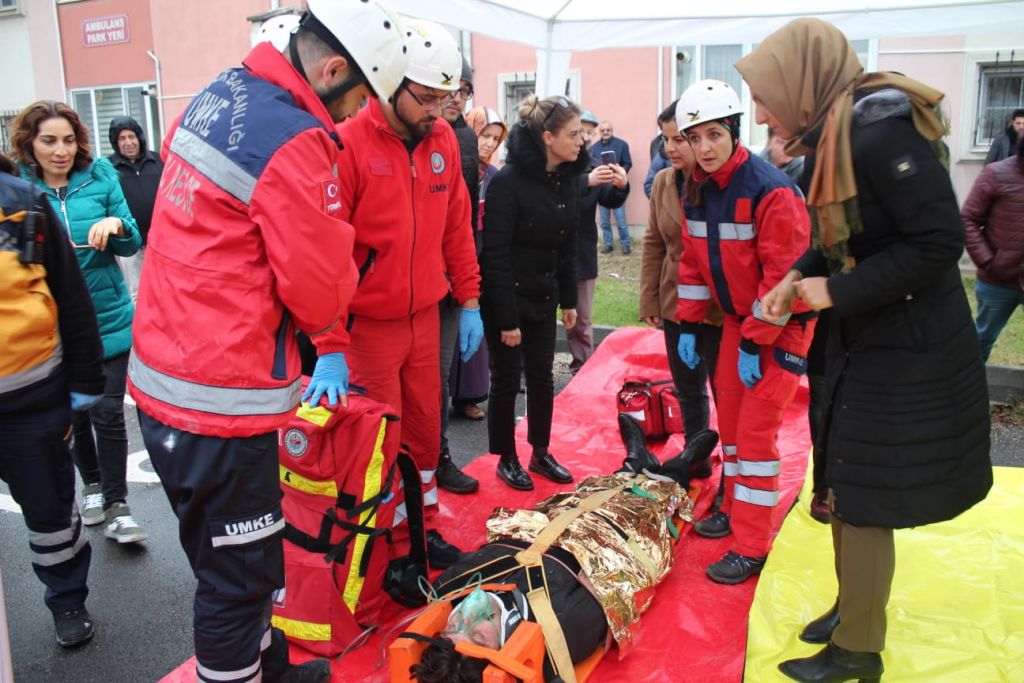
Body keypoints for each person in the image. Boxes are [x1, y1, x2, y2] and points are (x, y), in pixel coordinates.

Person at [127, 2, 409, 681]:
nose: (353, 117)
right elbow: (319, 279)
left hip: (171, 372)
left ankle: (272, 668)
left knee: (241, 555)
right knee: (238, 578)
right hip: (222, 396)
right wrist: (334, 327)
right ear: (333, 69)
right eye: (359, 101)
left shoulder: (221, 92)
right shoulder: (295, 138)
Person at [737, 17, 993, 682]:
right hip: (865, 338)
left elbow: (938, 242)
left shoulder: (879, 136)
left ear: (800, 83)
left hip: (908, 348)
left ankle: (858, 649)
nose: (760, 113)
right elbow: (838, 237)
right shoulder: (836, 137)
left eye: (764, 97)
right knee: (842, 480)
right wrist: (796, 277)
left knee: (865, 493)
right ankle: (854, 607)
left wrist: (835, 290)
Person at [406, 424, 719, 683]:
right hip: (608, 539)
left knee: (586, 495)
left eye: (453, 628)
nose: (467, 616)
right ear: (504, 645)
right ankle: (682, 464)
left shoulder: (450, 588)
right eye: (478, 636)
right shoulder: (562, 633)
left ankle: (634, 461)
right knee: (645, 502)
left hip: (554, 523)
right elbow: (614, 592)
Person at [335, 18, 481, 563]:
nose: (438, 112)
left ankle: (419, 532)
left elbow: (456, 227)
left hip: (425, 319)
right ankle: (376, 548)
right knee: (377, 440)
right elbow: (328, 249)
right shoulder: (349, 143)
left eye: (448, 98)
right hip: (368, 325)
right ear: (391, 82)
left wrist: (469, 300)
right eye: (427, 98)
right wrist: (329, 338)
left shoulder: (442, 141)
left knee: (423, 434)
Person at [673, 79, 816, 585]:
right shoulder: (698, 189)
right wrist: (689, 324)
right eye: (695, 138)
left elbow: (783, 278)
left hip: (782, 326)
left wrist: (757, 340)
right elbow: (693, 264)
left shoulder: (770, 191)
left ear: (735, 132)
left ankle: (753, 546)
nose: (705, 148)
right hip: (740, 323)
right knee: (731, 428)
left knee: (755, 437)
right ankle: (732, 507)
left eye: (715, 135)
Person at [11, 100, 146, 544]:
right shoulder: (18, 188)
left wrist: (115, 225)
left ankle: (118, 505)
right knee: (77, 413)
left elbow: (132, 240)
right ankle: (91, 486)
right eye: (49, 141)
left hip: (108, 317)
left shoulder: (101, 175)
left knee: (108, 412)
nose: (61, 151)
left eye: (69, 140)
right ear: (30, 143)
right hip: (51, 325)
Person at [0, 151, 104, 648]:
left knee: (50, 514)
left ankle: (67, 599)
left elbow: (72, 298)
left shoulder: (23, 205)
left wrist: (85, 380)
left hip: (30, 404)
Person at [480, 95, 589, 491]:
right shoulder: (507, 183)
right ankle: (506, 457)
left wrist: (569, 300)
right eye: (573, 134)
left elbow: (567, 243)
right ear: (547, 137)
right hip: (507, 298)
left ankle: (540, 452)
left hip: (544, 295)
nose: (581, 141)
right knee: (507, 378)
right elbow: (494, 255)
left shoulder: (566, 180)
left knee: (542, 377)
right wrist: (507, 320)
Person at [640, 100, 723, 445]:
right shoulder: (663, 181)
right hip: (675, 300)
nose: (669, 148)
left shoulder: (722, 182)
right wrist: (650, 300)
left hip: (717, 305)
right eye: (665, 139)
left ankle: (734, 462)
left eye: (678, 139)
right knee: (688, 388)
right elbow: (654, 242)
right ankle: (695, 454)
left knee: (724, 389)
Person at [435, 56, 485, 495]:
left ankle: (438, 457)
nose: (456, 96)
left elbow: (460, 220)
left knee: (436, 378)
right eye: (447, 87)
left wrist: (467, 290)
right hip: (398, 285)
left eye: (464, 89)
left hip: (449, 278)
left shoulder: (463, 138)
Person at [566, 108, 629, 373]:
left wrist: (620, 186)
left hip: (582, 251)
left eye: (589, 132)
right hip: (551, 251)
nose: (584, 137)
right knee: (541, 316)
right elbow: (554, 193)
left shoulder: (594, 164)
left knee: (582, 318)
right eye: (579, 130)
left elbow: (608, 200)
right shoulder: (555, 161)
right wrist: (586, 182)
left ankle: (582, 367)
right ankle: (533, 368)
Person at [962, 135, 1024, 362]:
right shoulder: (996, 174)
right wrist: (988, 261)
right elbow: (968, 219)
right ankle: (970, 384)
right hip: (998, 281)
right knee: (981, 339)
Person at [107, 115, 164, 301]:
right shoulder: (109, 168)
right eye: (122, 139)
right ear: (115, 143)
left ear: (139, 138)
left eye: (131, 137)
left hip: (160, 240)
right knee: (136, 291)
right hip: (130, 244)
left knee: (163, 287)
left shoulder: (158, 161)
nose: (128, 142)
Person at [589, 120, 633, 254]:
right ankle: (608, 244)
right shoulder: (594, 147)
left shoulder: (622, 145)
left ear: (612, 130)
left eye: (608, 130)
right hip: (600, 186)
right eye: (602, 130)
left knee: (620, 220)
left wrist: (620, 174)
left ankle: (625, 244)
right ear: (599, 132)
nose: (605, 132)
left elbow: (628, 163)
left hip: (616, 185)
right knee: (604, 221)